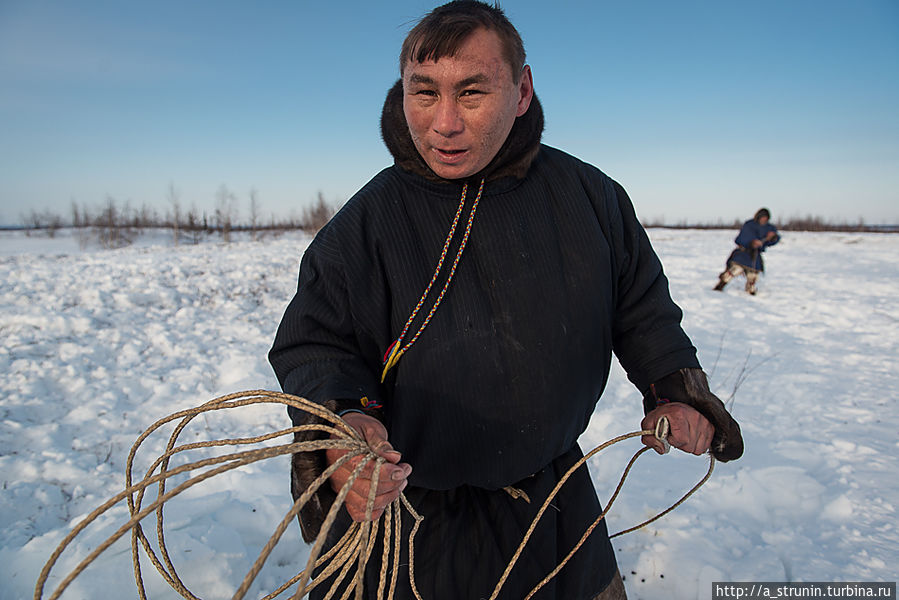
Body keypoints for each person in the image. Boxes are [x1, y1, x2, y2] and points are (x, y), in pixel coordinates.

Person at [269, 2, 743, 598]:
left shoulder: (590, 199)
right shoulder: (367, 222)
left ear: (522, 91)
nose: (443, 123)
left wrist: (675, 393)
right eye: (424, 93)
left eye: (471, 93)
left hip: (553, 504)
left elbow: (643, 310)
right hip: (406, 517)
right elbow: (316, 342)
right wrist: (346, 425)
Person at [713, 208, 780, 295]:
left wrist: (773, 237)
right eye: (763, 217)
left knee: (753, 274)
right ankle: (720, 286)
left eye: (766, 218)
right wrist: (752, 241)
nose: (764, 220)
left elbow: (774, 239)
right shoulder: (749, 224)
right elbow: (743, 237)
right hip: (743, 253)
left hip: (755, 255)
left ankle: (750, 289)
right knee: (735, 270)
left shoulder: (769, 228)